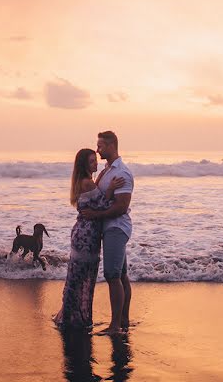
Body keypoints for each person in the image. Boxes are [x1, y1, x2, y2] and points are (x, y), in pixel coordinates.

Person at [54, 148, 125, 329]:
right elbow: (105, 204)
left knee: (77, 276)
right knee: (84, 277)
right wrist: (110, 188)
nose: (96, 163)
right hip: (87, 235)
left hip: (82, 232)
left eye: (96, 160)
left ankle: (72, 315)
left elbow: (97, 203)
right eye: (92, 161)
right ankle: (75, 318)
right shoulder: (87, 183)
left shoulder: (85, 181)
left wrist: (101, 179)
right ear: (84, 164)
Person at [80, 130, 134, 336]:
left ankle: (115, 326)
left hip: (116, 227)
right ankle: (124, 320)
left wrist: (95, 214)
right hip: (109, 228)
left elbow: (121, 207)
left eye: (100, 146)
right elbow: (97, 194)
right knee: (121, 275)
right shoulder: (106, 171)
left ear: (111, 146)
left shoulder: (122, 173)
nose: (97, 149)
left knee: (112, 275)